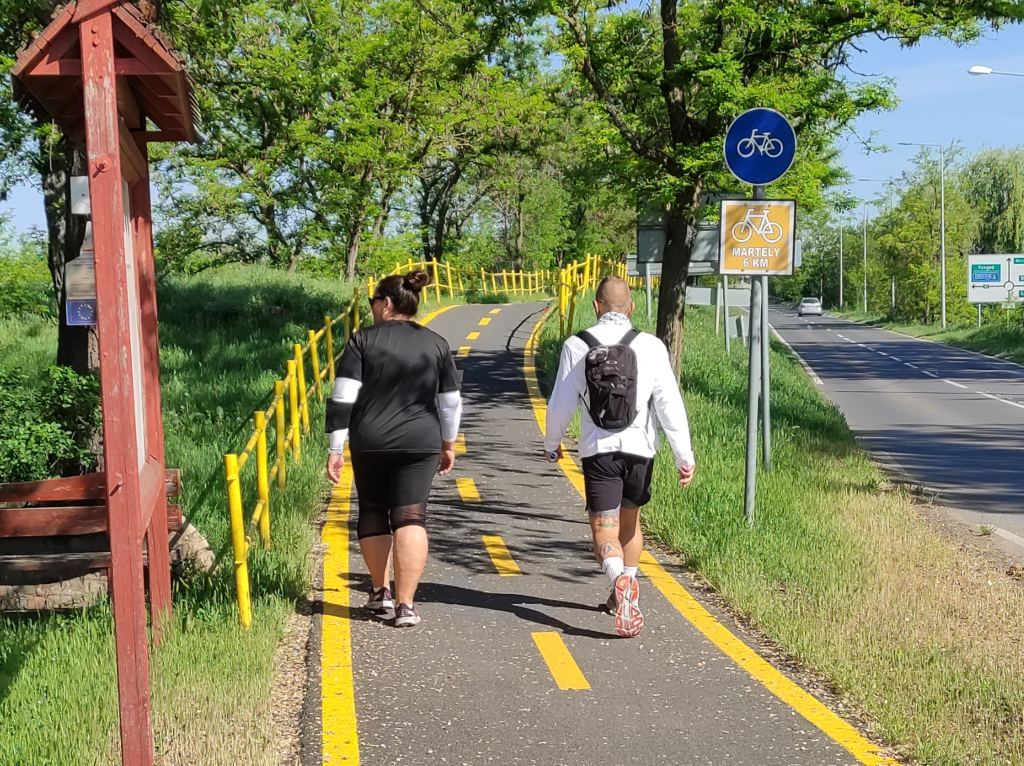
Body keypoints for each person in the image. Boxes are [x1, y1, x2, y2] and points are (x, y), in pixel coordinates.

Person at [544, 276, 695, 638]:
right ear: (631, 308)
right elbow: (669, 404)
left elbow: (562, 403)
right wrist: (684, 456)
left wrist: (552, 443)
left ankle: (618, 582)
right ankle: (625, 587)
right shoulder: (651, 346)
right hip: (641, 451)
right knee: (631, 525)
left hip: (600, 452)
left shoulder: (577, 345)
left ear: (596, 306)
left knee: (603, 530)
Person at [326, 270, 462, 627]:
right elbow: (450, 403)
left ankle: (379, 591)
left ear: (385, 303)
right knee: (411, 517)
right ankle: (406, 606)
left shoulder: (361, 341)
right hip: (421, 441)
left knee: (373, 509)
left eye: (373, 302)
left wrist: (336, 448)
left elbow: (343, 397)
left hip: (370, 440)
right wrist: (448, 443)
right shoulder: (436, 343)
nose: (372, 308)